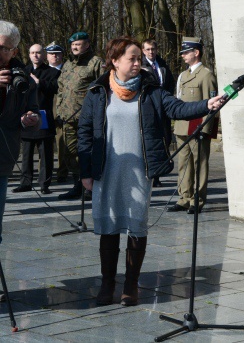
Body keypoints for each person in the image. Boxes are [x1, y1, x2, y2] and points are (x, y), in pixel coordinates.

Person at [77, 36, 222, 306]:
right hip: (105, 171)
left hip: (139, 172)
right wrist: (85, 170)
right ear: (115, 61)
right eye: (131, 58)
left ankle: (130, 285)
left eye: (139, 58)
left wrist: (207, 105)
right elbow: (84, 133)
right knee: (108, 229)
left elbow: (177, 108)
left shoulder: (151, 90)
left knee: (136, 227)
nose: (137, 63)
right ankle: (107, 284)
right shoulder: (97, 92)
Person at [167, 37, 218, 214]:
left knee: (199, 165)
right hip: (182, 127)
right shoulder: (183, 75)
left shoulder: (206, 75)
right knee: (183, 165)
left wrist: (206, 129)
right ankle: (184, 198)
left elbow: (212, 105)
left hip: (198, 128)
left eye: (186, 52)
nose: (182, 55)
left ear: (196, 52)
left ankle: (197, 200)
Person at [0, 21, 40, 244]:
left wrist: (31, 119)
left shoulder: (22, 79)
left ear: (14, 51)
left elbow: (34, 112)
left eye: (3, 48)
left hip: (3, 160)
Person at [56, 31, 102, 199]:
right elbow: (61, 88)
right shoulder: (67, 64)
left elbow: (102, 89)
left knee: (87, 152)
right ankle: (78, 184)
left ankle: (90, 188)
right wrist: (60, 111)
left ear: (87, 45)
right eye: (73, 44)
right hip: (67, 118)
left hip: (86, 118)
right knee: (70, 153)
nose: (74, 47)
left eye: (78, 44)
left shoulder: (95, 63)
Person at [13, 44, 60, 194]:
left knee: (45, 153)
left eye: (39, 53)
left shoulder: (52, 72)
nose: (36, 55)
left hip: (44, 116)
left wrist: (40, 83)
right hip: (27, 116)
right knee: (26, 153)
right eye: (32, 52)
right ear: (29, 54)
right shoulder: (24, 71)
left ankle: (44, 184)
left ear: (44, 55)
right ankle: (25, 182)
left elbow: (56, 88)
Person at [140, 38, 175, 187]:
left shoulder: (162, 65)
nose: (151, 52)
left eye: (153, 49)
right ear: (143, 51)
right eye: (147, 49)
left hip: (163, 109)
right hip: (148, 109)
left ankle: (157, 175)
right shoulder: (140, 66)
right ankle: (147, 173)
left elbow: (170, 84)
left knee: (164, 140)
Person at [46, 43, 68, 183]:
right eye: (51, 53)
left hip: (62, 111)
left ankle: (62, 172)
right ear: (46, 55)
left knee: (62, 143)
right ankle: (45, 174)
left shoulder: (67, 70)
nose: (54, 56)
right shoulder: (41, 70)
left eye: (57, 53)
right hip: (44, 110)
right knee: (44, 145)